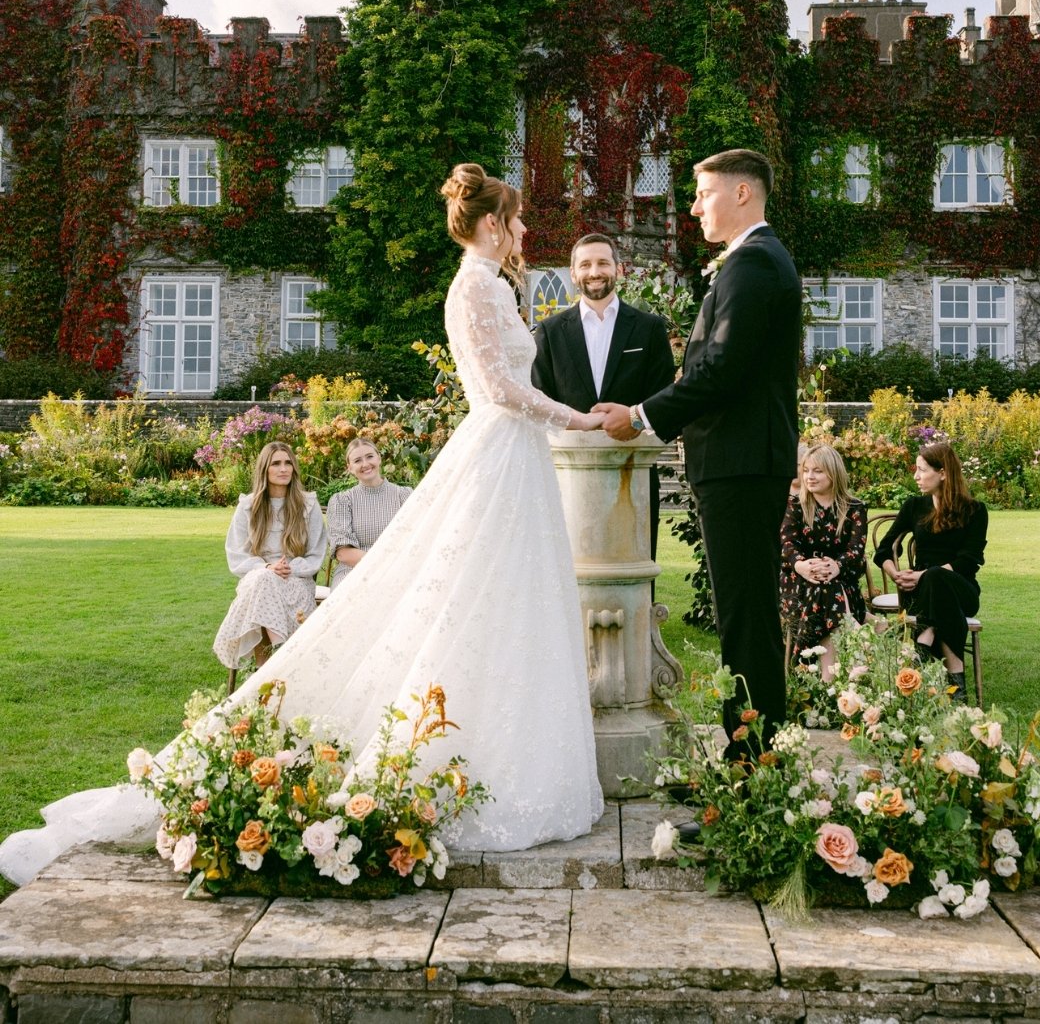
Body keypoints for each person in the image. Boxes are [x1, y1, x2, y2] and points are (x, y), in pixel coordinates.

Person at [0, 163, 605, 886]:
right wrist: (577, 418)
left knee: (509, 605)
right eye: (517, 218)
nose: (527, 231)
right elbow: (501, 388)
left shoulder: (498, 284)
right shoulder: (473, 285)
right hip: (500, 449)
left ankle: (507, 747)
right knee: (462, 598)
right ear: (488, 224)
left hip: (518, 459)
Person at [596, 149, 801, 755]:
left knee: (746, 617)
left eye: (703, 194)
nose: (693, 207)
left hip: (741, 464)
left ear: (743, 194)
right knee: (746, 614)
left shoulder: (755, 264)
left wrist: (639, 415)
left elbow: (720, 368)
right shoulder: (754, 262)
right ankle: (754, 758)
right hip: (741, 462)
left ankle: (752, 766)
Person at [531, 233, 675, 558]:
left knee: (635, 576)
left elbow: (665, 397)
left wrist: (635, 421)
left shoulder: (649, 329)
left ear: (618, 269)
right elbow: (540, 405)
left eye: (602, 263)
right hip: (568, 477)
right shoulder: (550, 332)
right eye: (586, 264)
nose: (594, 271)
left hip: (633, 472)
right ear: (573, 273)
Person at [873, 442, 987, 703]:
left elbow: (968, 562)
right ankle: (956, 678)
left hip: (962, 592)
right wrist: (895, 574)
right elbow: (883, 551)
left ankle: (925, 636)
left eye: (922, 470)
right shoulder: (914, 506)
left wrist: (924, 574)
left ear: (943, 473)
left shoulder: (975, 511)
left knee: (935, 575)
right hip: (920, 593)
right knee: (933, 582)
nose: (916, 476)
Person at [212, 442, 327, 669]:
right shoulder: (248, 506)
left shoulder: (307, 505)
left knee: (263, 585)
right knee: (263, 580)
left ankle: (264, 668)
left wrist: (290, 568)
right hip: (258, 577)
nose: (283, 469)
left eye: (288, 463)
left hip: (296, 579)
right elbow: (236, 555)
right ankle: (279, 653)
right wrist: (266, 568)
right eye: (276, 463)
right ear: (265, 469)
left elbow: (316, 554)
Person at [779, 443, 868, 680]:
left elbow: (856, 551)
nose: (809, 476)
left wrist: (836, 566)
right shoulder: (795, 505)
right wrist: (802, 566)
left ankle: (824, 683)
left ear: (833, 472)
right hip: (798, 585)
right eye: (806, 470)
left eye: (817, 471)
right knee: (825, 590)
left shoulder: (855, 508)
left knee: (827, 588)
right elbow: (787, 545)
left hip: (841, 584)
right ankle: (861, 641)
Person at [326, 436, 411, 589]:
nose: (365, 464)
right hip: (353, 571)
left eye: (370, 456)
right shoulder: (342, 501)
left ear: (379, 458)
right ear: (349, 468)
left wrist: (394, 567)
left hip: (398, 568)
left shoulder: (404, 496)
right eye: (357, 460)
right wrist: (380, 565)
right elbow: (343, 553)